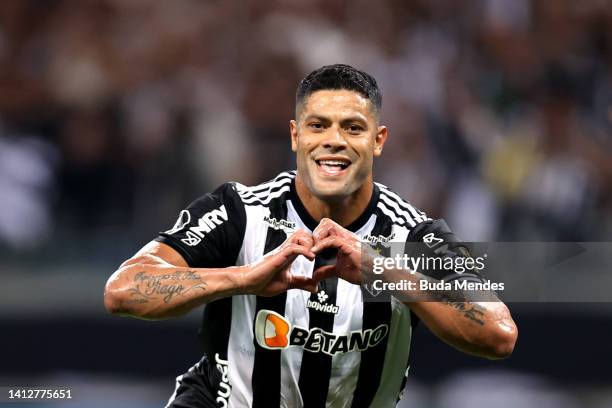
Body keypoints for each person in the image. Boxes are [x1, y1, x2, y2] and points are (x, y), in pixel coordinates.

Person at [104, 64, 517, 408]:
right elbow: (122, 290)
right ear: (295, 135)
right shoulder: (240, 211)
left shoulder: (412, 235)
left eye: (353, 128)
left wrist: (381, 270)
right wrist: (242, 278)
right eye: (318, 125)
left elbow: (499, 334)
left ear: (378, 141)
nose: (333, 141)